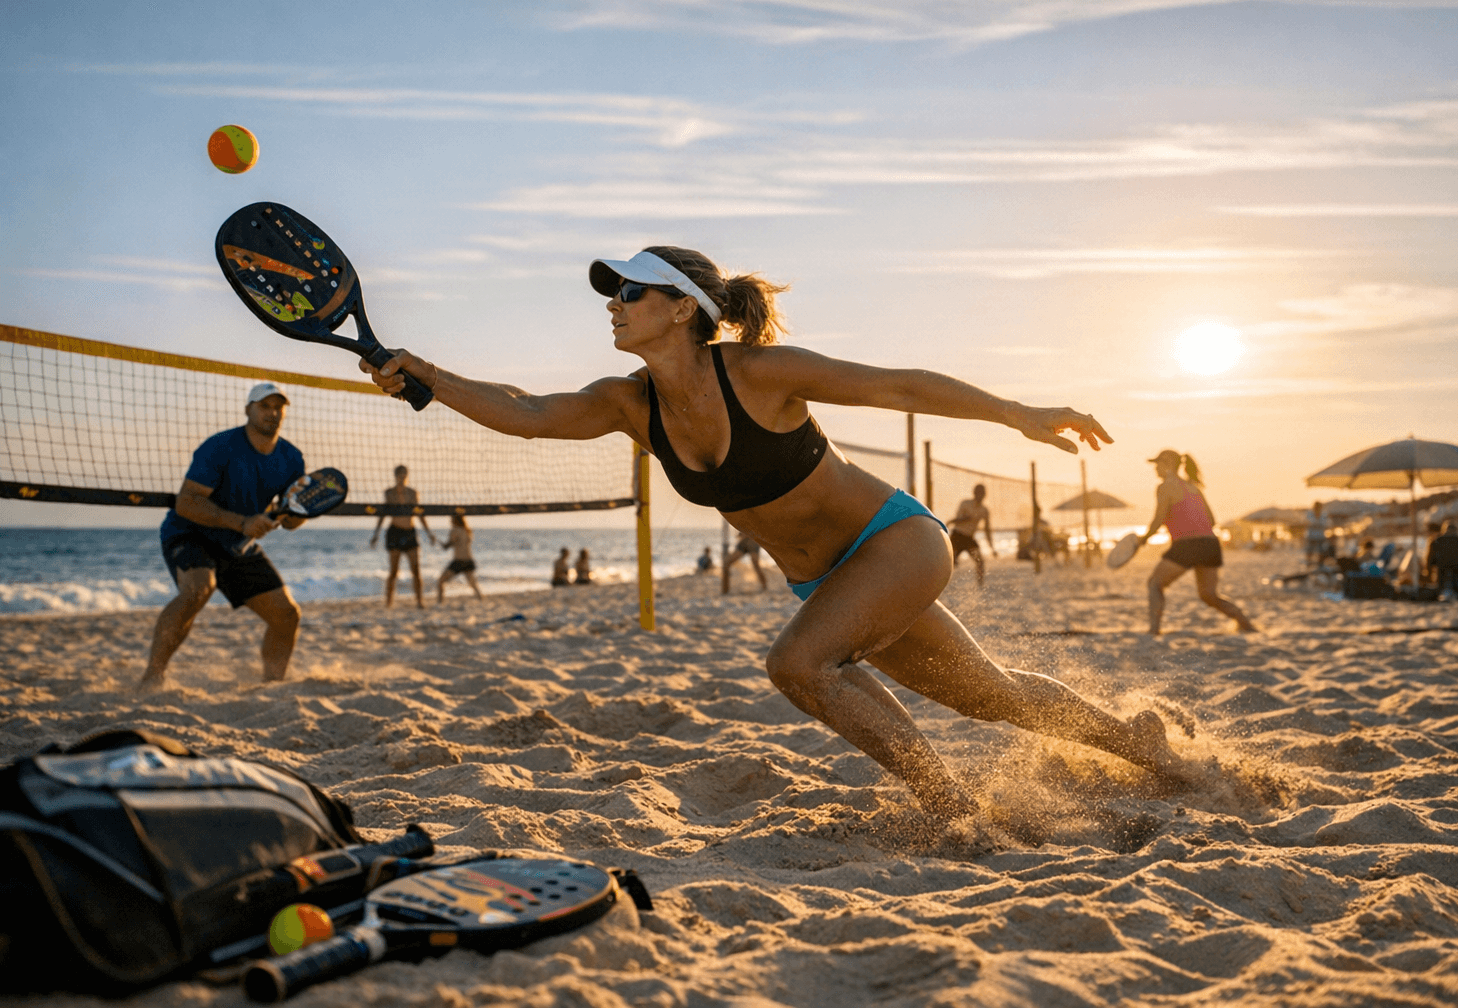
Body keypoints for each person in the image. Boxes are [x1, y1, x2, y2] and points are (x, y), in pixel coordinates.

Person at [361, 244, 1186, 823]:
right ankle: (1145, 750)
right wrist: (427, 378)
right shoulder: (627, 402)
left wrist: (1016, 413)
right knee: (991, 694)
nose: (613, 306)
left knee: (796, 663)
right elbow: (528, 412)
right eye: (612, 293)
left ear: (683, 308)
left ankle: (952, 808)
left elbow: (895, 382)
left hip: (897, 542)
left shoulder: (758, 373)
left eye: (630, 293)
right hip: (830, 582)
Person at [141, 383, 307, 690]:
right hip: (190, 532)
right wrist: (243, 522)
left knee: (287, 615)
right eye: (264, 406)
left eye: (278, 406)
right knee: (198, 589)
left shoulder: (292, 458)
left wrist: (302, 512)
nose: (272, 412)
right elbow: (186, 502)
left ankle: (271, 686)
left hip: (237, 544)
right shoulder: (220, 446)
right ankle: (153, 676)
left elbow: (291, 521)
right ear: (248, 410)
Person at [1137, 450, 1256, 636]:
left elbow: (1158, 519)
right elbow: (1211, 520)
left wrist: (1142, 540)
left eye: (1158, 464)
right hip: (1210, 544)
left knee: (1155, 583)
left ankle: (1154, 630)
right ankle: (1246, 625)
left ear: (1167, 464)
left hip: (1187, 545)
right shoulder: (1193, 487)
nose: (1155, 469)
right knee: (1209, 595)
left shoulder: (1165, 486)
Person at [369, 465, 437, 609]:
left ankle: (419, 601)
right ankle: (389, 602)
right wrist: (376, 534)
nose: (401, 477)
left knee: (416, 570)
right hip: (394, 532)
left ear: (407, 475)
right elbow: (382, 514)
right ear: (395, 476)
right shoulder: (389, 493)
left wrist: (429, 533)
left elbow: (420, 514)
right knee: (393, 571)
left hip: (410, 532)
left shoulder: (412, 493)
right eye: (399, 474)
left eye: (404, 474)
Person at [947, 483, 995, 585]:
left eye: (982, 493)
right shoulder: (965, 503)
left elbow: (987, 530)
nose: (980, 495)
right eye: (978, 493)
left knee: (980, 561)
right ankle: (939, 583)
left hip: (969, 538)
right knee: (948, 563)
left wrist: (991, 547)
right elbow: (956, 521)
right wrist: (965, 518)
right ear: (974, 493)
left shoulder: (984, 510)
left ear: (984, 495)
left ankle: (980, 585)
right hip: (957, 536)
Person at [436, 513, 483, 604]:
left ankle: (439, 602)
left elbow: (448, 546)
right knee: (473, 584)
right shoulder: (467, 530)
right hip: (468, 560)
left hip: (459, 561)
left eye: (451, 519)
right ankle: (480, 600)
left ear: (455, 520)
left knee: (440, 581)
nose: (450, 521)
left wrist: (441, 544)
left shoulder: (454, 530)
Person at [1425, 519, 1458, 597]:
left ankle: (1440, 590)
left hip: (1442, 567)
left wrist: (1429, 574)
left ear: (1444, 530)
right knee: (1457, 581)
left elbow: (1430, 559)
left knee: (1440, 582)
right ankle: (1457, 591)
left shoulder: (1437, 541)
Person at [1304, 501, 1328, 567]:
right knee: (1309, 551)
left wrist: (1315, 523)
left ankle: (1320, 564)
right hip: (1311, 536)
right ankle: (1308, 564)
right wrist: (1317, 523)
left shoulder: (1323, 514)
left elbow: (1324, 524)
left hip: (1320, 536)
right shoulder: (1309, 513)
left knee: (1321, 551)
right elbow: (1309, 523)